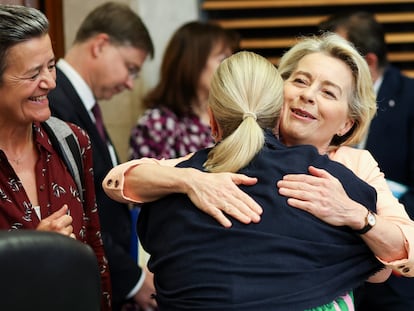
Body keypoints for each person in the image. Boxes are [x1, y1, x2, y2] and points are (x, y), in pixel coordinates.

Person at [103, 33, 414, 308]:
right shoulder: (234, 151)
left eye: (328, 92)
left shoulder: (355, 168)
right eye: (301, 81)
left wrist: (356, 215)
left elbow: (402, 257)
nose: (308, 95)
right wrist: (189, 179)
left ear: (347, 122)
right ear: (277, 92)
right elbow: (120, 181)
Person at [0, 4, 111, 311]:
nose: (50, 82)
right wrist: (32, 251)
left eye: (50, 66)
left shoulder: (71, 141)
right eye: (33, 74)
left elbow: (95, 252)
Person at [47, 2, 156, 311]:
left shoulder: (83, 105)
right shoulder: (54, 104)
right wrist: (133, 280)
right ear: (101, 45)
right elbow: (76, 211)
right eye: (130, 68)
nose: (130, 83)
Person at [318, 12, 414, 310]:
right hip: (325, 269)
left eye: (341, 55)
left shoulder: (411, 98)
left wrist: (374, 214)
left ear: (369, 62)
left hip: (394, 270)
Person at [128, 21, 238, 160]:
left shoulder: (234, 118)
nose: (230, 67)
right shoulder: (157, 124)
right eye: (222, 59)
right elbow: (142, 179)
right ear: (193, 62)